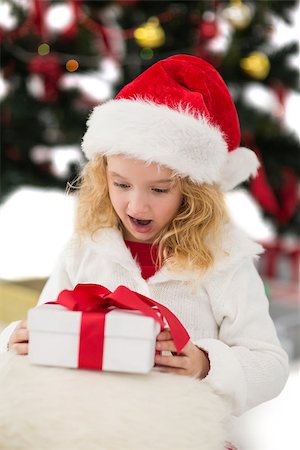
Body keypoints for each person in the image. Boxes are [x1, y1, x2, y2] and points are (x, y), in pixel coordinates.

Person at [0, 54, 288, 417]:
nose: (137, 205)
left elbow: (271, 365)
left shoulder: (222, 260)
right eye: (121, 184)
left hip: (184, 432)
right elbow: (45, 325)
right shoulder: (85, 251)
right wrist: (14, 341)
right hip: (95, 429)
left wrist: (205, 364)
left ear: (193, 191)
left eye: (159, 190)